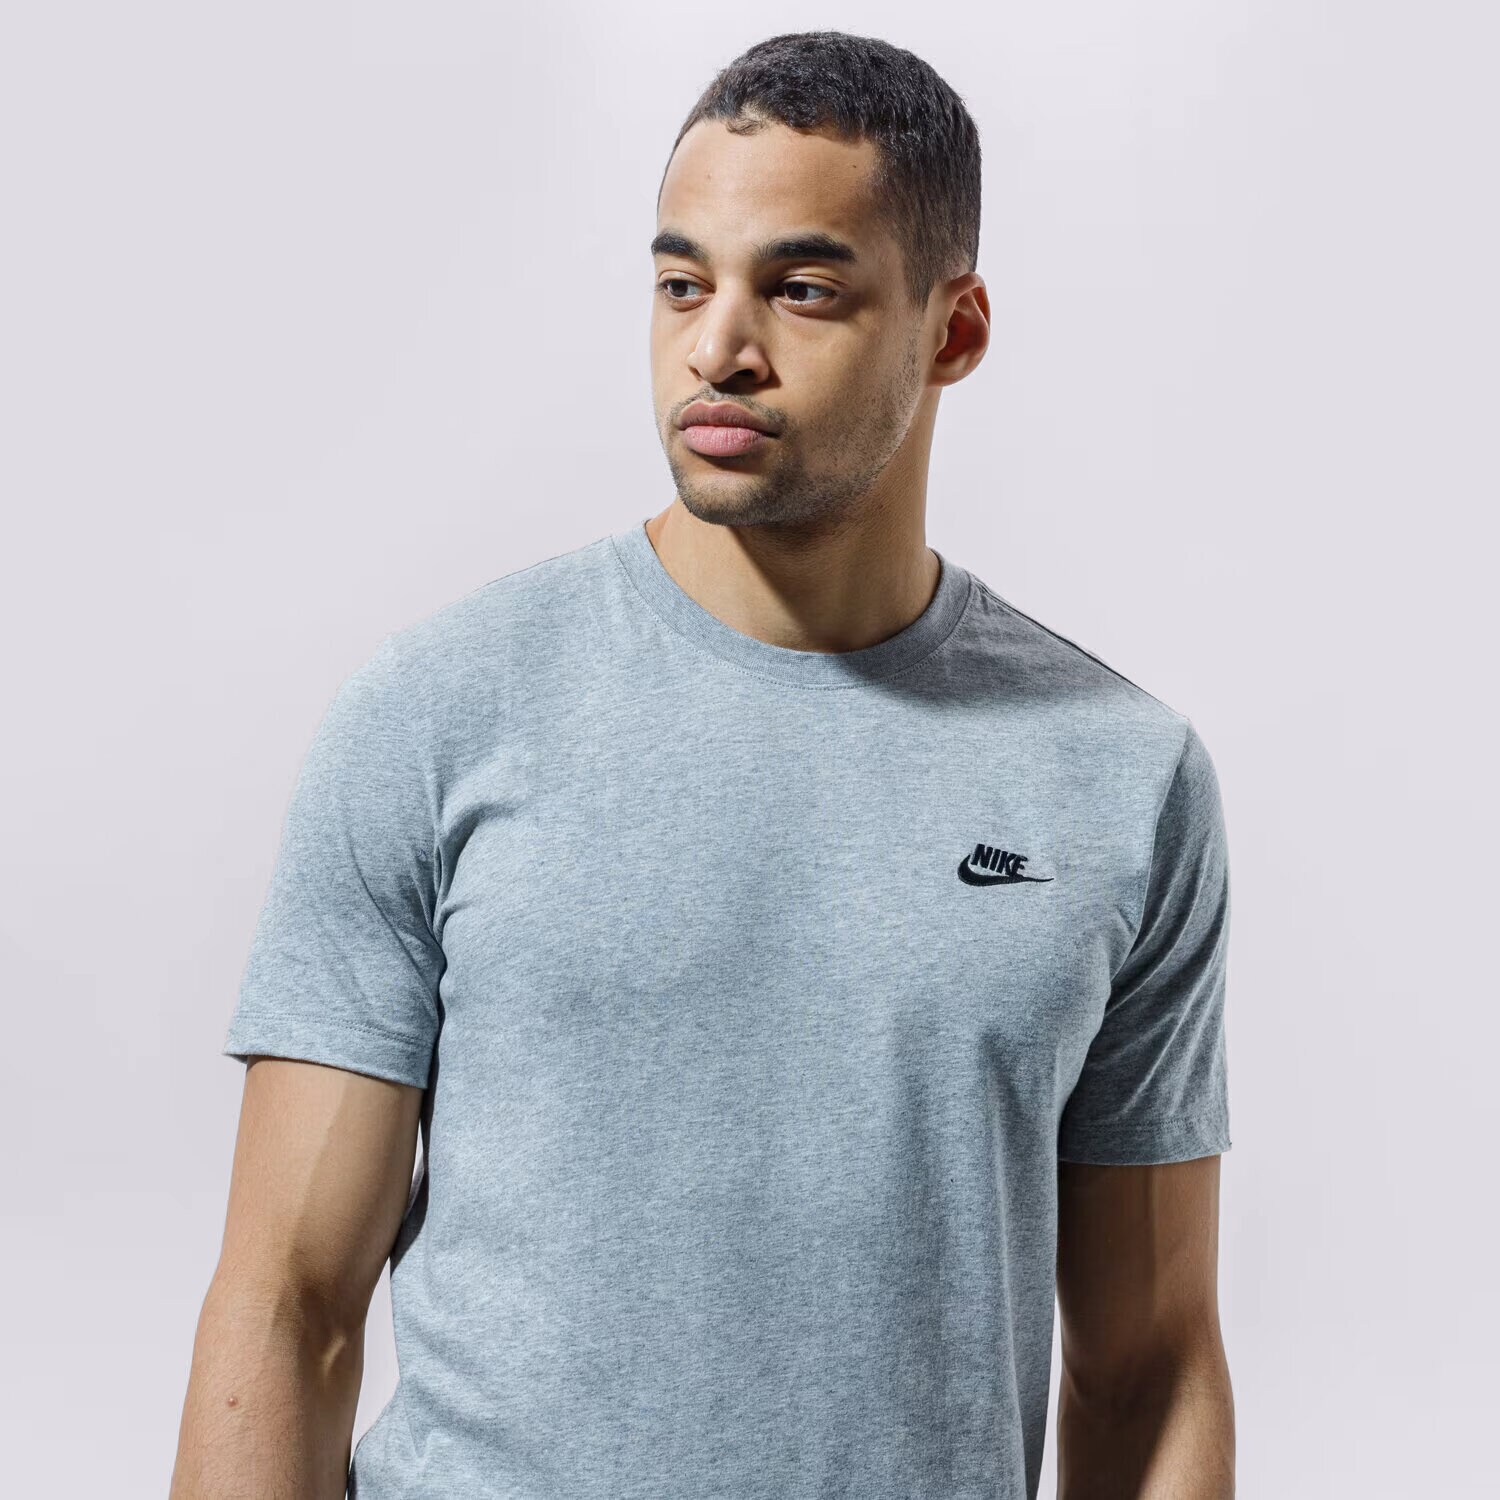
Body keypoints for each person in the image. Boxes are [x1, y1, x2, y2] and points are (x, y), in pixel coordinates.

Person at [171, 29, 1234, 1500]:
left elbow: (1151, 1365)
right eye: (683, 284)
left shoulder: (1120, 776)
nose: (717, 348)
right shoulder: (439, 713)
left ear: (954, 330)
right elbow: (287, 1307)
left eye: (801, 289)